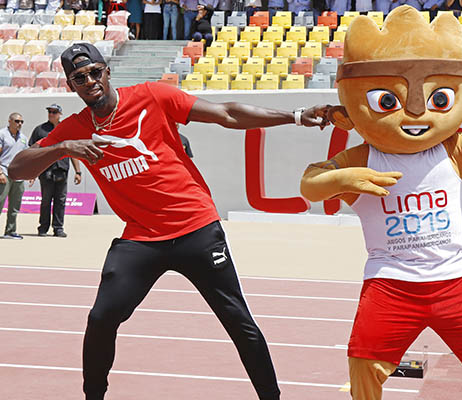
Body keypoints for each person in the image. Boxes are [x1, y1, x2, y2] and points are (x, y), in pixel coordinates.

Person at [8, 42, 329, 400]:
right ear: (71, 86)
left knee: (238, 321)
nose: (90, 82)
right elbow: (17, 168)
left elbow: (226, 114)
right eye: (79, 78)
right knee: (101, 319)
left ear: (107, 71)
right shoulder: (74, 128)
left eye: (95, 72)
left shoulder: (152, 96)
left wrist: (296, 116)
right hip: (142, 238)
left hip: (196, 228)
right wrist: (64, 148)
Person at [28, 104, 83, 238]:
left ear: (60, 114)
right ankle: (43, 228)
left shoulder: (65, 130)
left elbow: (72, 152)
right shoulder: (40, 130)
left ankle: (58, 228)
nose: (51, 114)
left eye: (54, 112)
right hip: (45, 170)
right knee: (46, 201)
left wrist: (78, 172)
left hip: (62, 170)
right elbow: (32, 152)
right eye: (50, 112)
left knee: (60, 201)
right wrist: (32, 172)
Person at [0, 113, 28, 240]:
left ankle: (10, 231)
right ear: (10, 121)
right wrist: (0, 173)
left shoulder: (23, 138)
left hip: (19, 176)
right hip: (4, 174)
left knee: (15, 206)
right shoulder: (2, 134)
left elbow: (26, 157)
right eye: (17, 121)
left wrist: (30, 173)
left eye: (21, 122)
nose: (19, 124)